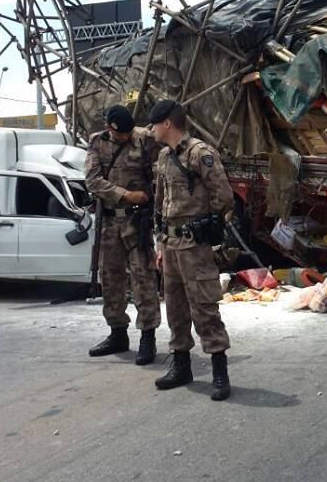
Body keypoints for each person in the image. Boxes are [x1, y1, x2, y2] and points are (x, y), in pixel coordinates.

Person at [148, 99, 234, 401]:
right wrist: (160, 241)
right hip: (171, 245)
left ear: (167, 124)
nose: (152, 129)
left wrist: (207, 226)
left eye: (155, 124)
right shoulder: (163, 156)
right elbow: (160, 202)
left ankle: (219, 371)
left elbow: (223, 197)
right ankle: (181, 365)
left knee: (204, 306)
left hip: (194, 245)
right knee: (175, 307)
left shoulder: (200, 154)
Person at [84, 104, 162, 365]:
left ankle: (147, 337)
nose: (125, 139)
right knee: (111, 280)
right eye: (120, 136)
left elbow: (163, 171)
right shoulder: (97, 142)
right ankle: (117, 333)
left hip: (136, 222)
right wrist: (126, 194)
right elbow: (92, 180)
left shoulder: (145, 139)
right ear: (109, 129)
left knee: (143, 280)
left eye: (127, 134)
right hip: (108, 225)